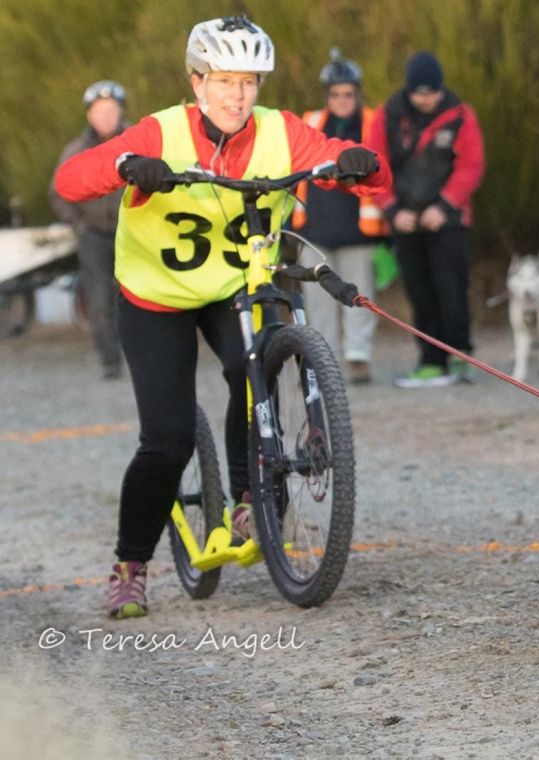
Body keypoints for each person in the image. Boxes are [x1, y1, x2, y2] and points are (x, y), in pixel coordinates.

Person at [53, 16, 390, 619]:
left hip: (234, 289)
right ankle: (130, 565)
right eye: (226, 80)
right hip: (157, 297)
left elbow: (356, 168)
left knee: (250, 365)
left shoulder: (279, 131)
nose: (239, 95)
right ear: (197, 80)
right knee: (167, 441)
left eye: (251, 82)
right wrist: (128, 165)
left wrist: (359, 163)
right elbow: (71, 180)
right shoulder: (161, 131)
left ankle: (247, 499)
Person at [368, 51, 485, 388]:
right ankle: (431, 360)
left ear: (440, 88)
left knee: (453, 289)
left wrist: (445, 206)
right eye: (419, 93)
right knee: (420, 292)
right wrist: (391, 209)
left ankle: (462, 355)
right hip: (404, 219)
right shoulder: (388, 116)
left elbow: (471, 166)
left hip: (447, 219)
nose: (426, 99)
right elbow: (375, 164)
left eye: (431, 92)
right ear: (408, 91)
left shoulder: (460, 115)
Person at [290, 49, 386, 385]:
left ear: (358, 93)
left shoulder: (374, 121)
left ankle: (359, 357)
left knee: (359, 294)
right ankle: (323, 359)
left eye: (348, 94)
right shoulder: (310, 121)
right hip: (315, 225)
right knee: (318, 301)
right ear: (326, 95)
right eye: (335, 94)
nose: (342, 100)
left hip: (359, 227)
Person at [49, 80, 130, 379]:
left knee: (135, 295)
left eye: (112, 110)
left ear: (121, 111)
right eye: (100, 111)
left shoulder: (138, 141)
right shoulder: (76, 150)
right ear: (89, 115)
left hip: (132, 233)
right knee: (98, 299)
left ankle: (138, 354)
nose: (107, 116)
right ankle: (110, 358)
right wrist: (77, 223)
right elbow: (57, 192)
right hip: (93, 234)